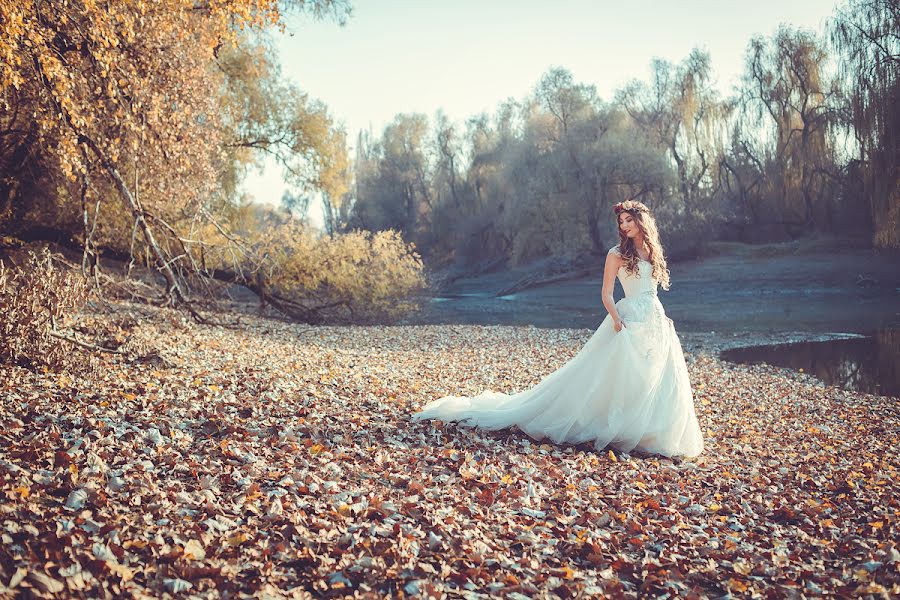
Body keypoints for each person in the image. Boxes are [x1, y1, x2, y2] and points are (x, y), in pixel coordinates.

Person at [410, 200, 704, 458]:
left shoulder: (652, 252)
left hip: (654, 318)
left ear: (641, 222)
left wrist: (658, 317)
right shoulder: (616, 254)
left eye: (629, 220)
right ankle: (618, 427)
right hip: (626, 319)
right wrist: (615, 318)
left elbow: (651, 289)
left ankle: (649, 431)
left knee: (653, 377)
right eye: (622, 222)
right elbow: (606, 293)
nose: (625, 226)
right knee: (614, 375)